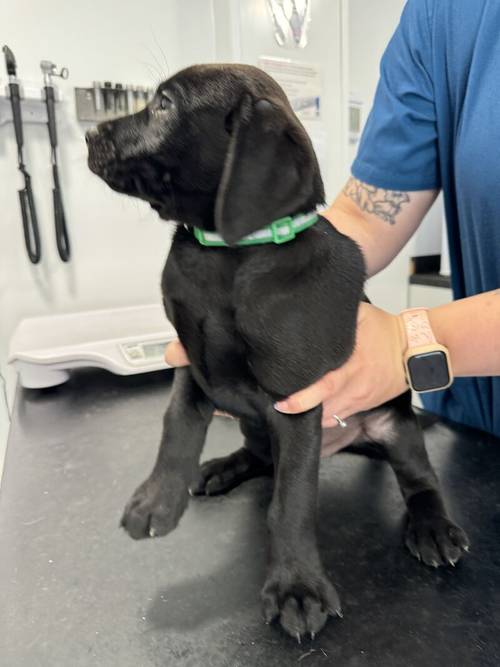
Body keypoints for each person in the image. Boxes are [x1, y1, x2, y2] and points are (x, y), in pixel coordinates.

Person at [165, 0, 500, 440]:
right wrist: (255, 280)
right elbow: (366, 215)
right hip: (479, 428)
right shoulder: (442, 13)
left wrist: (408, 342)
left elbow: (402, 344)